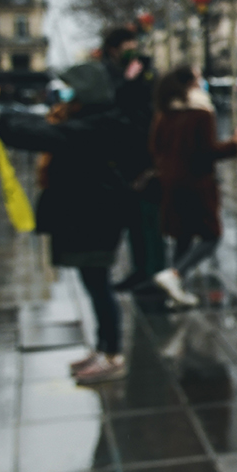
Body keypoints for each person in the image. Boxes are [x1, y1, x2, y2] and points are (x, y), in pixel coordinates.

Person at [0, 64, 132, 384]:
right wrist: (7, 121)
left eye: (71, 89)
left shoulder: (103, 123)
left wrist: (3, 122)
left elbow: (51, 136)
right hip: (87, 214)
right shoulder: (84, 118)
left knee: (99, 286)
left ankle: (113, 355)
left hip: (98, 215)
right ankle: (103, 348)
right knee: (93, 284)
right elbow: (48, 127)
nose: (65, 95)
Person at [147, 67, 237, 309]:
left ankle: (176, 291)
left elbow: (155, 148)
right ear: (190, 84)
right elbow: (206, 153)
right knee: (211, 236)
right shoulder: (202, 113)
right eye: (198, 78)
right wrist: (233, 144)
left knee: (182, 236)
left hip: (171, 182)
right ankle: (175, 275)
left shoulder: (165, 112)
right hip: (197, 183)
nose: (201, 81)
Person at [97, 27, 165, 295]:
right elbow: (111, 103)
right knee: (132, 220)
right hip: (120, 156)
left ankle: (155, 272)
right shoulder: (107, 73)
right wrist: (127, 81)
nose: (132, 50)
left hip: (146, 156)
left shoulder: (148, 73)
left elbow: (153, 107)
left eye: (135, 44)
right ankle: (140, 270)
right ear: (113, 49)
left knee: (150, 218)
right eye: (127, 45)